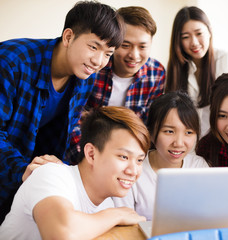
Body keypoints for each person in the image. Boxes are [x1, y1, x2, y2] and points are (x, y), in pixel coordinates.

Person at [0, 1, 124, 223]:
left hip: (27, 185)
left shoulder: (86, 76)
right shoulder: (11, 62)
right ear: (68, 37)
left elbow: (65, 133)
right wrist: (22, 169)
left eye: (108, 53)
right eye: (94, 47)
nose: (98, 62)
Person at [0, 106, 150, 239]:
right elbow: (61, 235)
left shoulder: (106, 205)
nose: (133, 171)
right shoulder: (52, 175)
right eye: (124, 157)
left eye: (139, 160)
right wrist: (118, 214)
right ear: (91, 154)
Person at [67, 6, 165, 163]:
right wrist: (86, 160)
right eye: (125, 45)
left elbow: (150, 126)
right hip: (86, 152)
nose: (134, 55)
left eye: (142, 46)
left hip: (130, 155)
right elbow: (73, 121)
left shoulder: (156, 73)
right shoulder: (93, 67)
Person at [114, 91, 209, 220]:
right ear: (152, 133)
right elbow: (122, 222)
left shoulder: (199, 167)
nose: (179, 143)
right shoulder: (131, 169)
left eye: (188, 132)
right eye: (169, 131)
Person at [166, 6, 228, 137]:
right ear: (178, 40)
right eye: (185, 37)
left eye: (199, 33)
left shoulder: (225, 60)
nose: (194, 42)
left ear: (209, 31)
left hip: (222, 138)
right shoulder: (174, 70)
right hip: (188, 144)